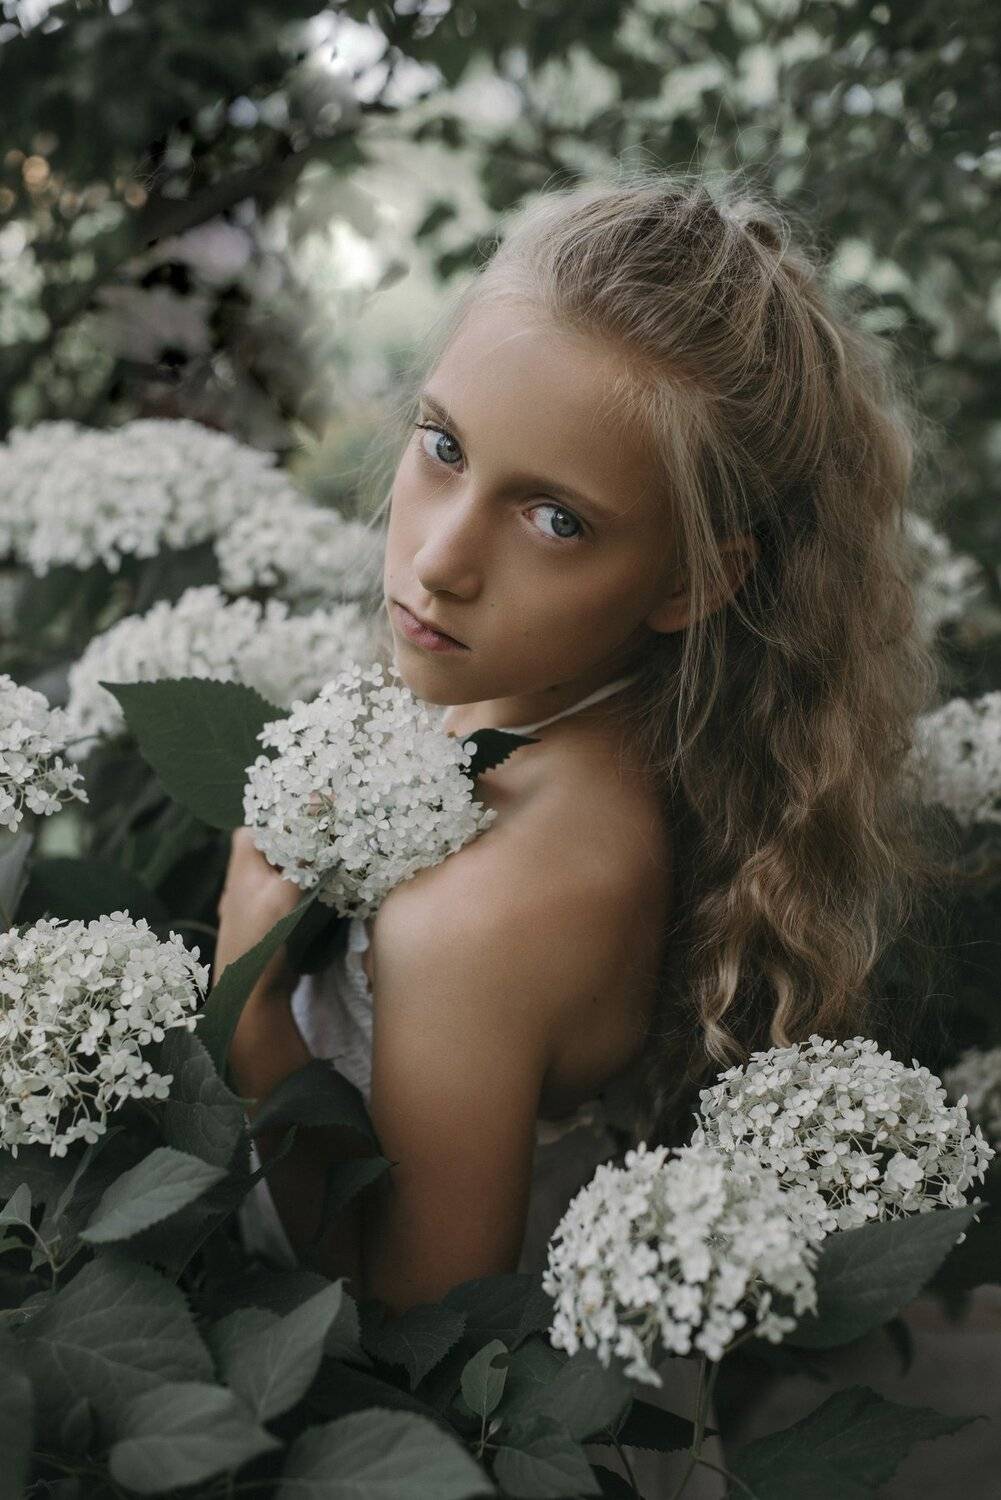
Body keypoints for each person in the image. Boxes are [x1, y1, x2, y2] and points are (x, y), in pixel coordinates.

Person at [215, 168, 954, 1497]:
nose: (439, 556)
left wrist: (258, 1009)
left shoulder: (492, 907)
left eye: (554, 519)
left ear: (691, 578)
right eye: (441, 446)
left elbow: (415, 1347)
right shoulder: (594, 720)